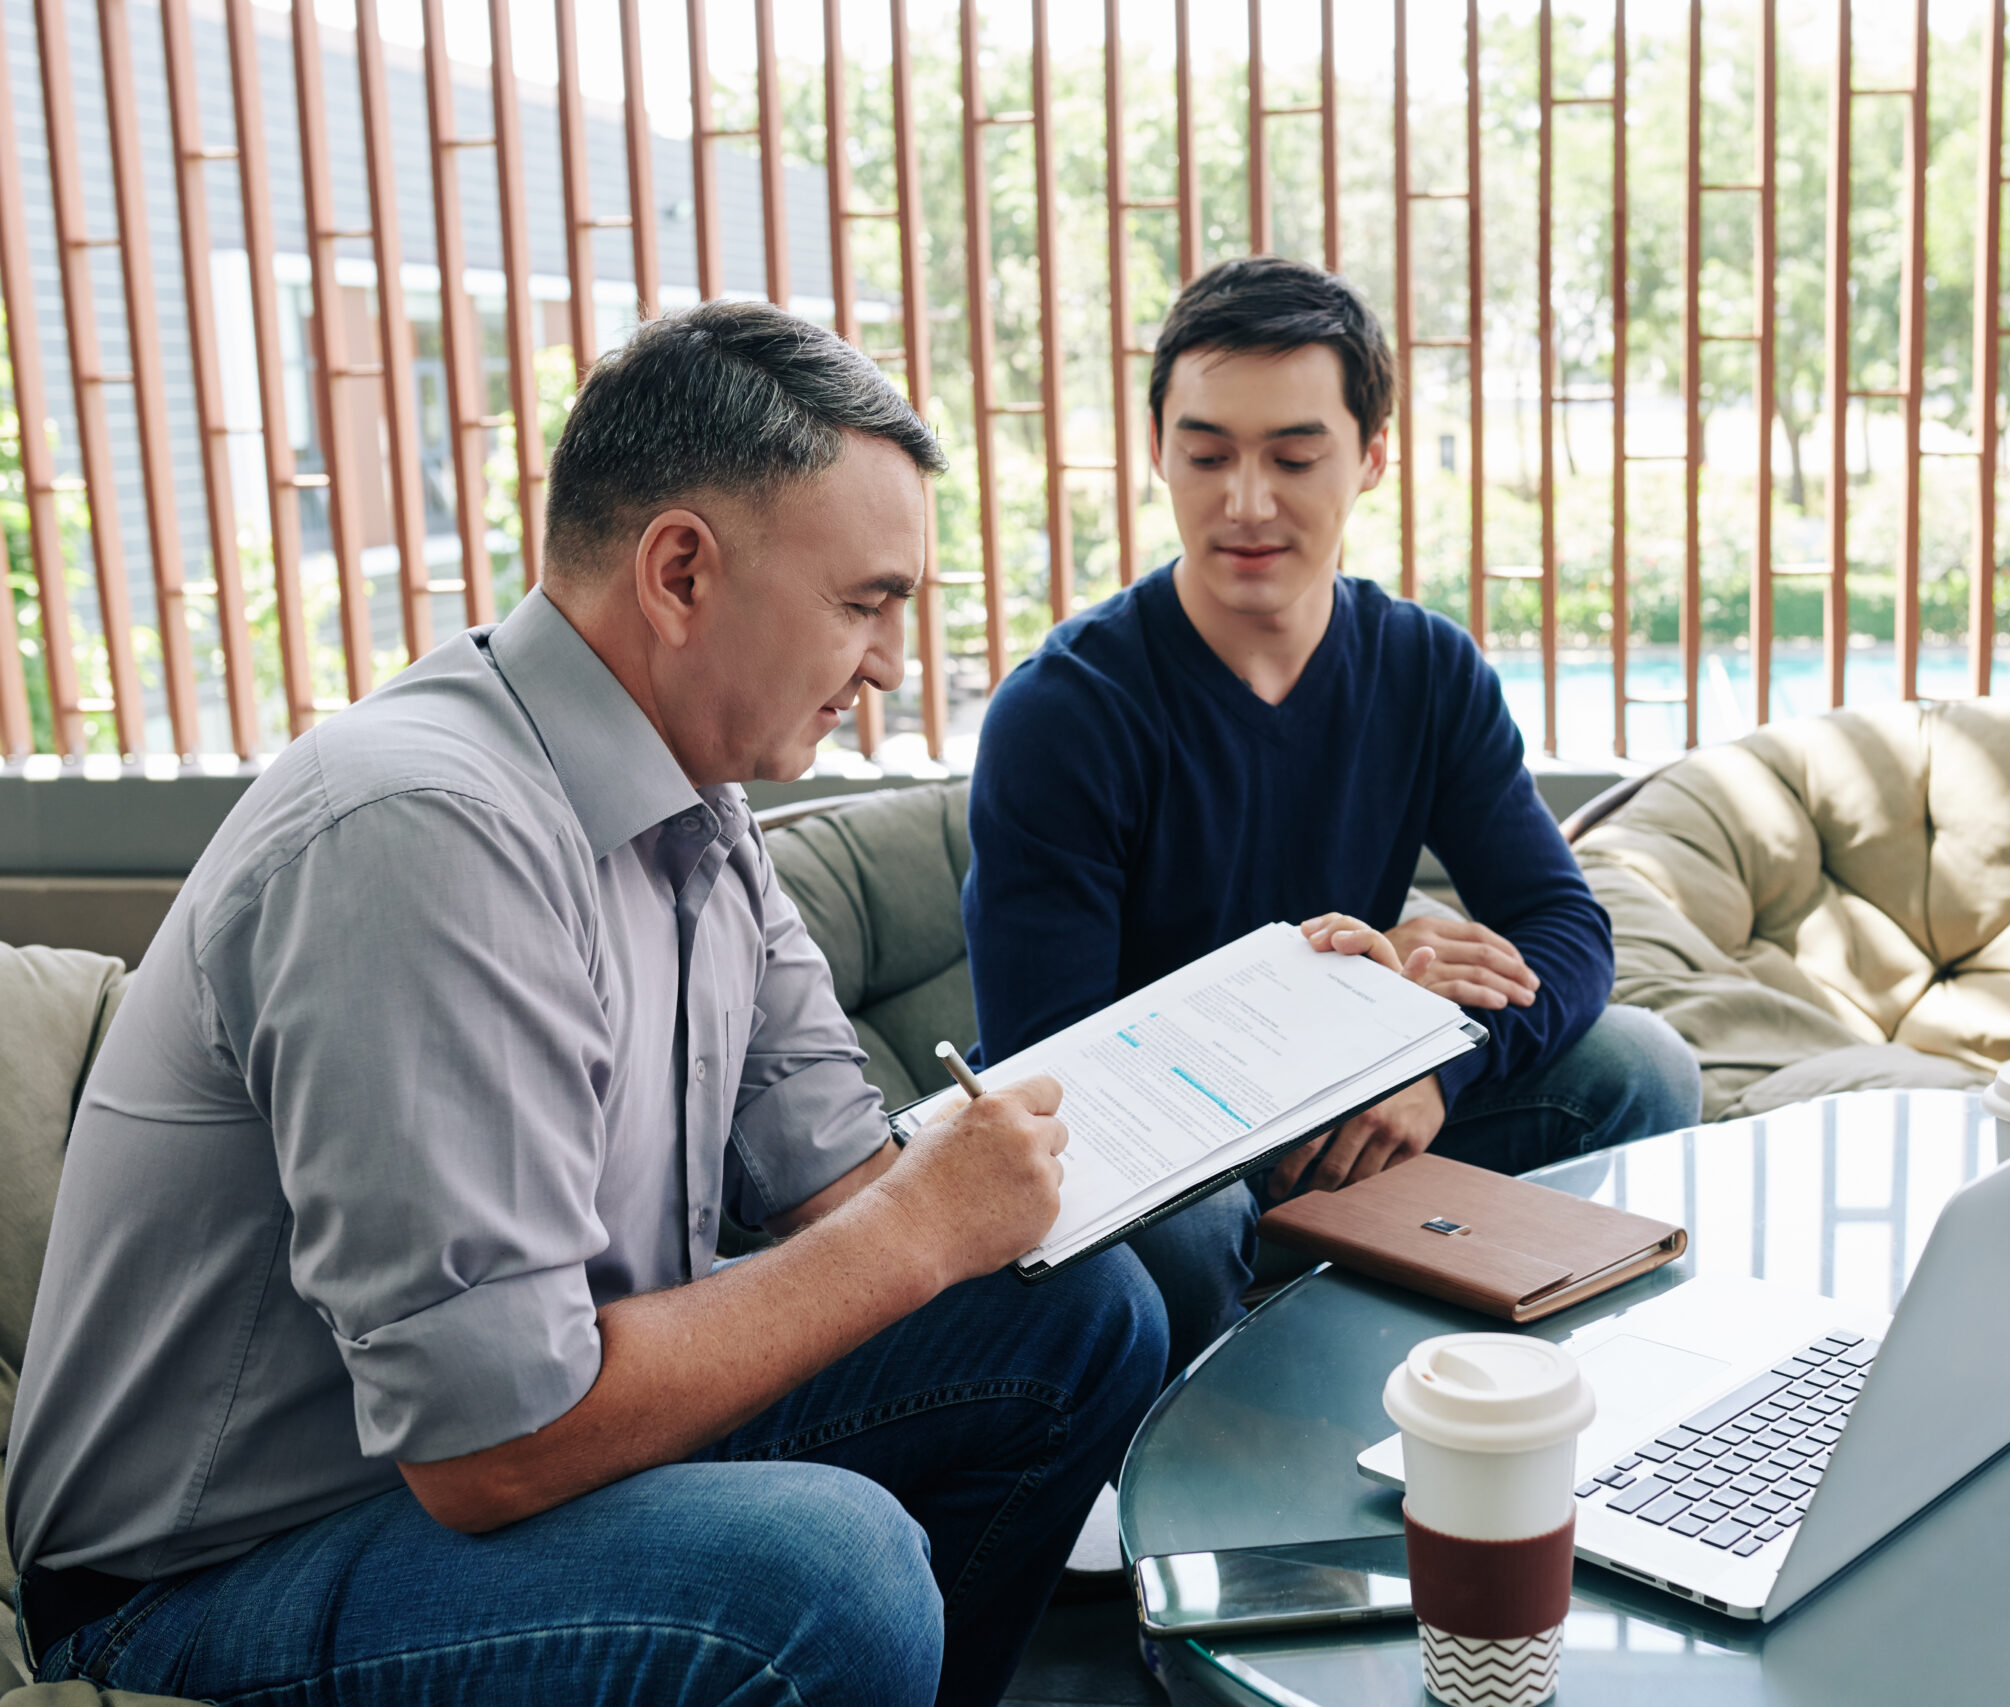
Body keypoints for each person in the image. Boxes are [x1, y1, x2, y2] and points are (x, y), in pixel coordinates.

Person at [6, 302, 1166, 1707]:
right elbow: (495, 1443)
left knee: (1084, 1309)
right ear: (681, 570)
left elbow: (835, 1174)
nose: (887, 666)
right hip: (218, 1574)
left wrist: (1033, 1185)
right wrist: (926, 1221)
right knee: (826, 1569)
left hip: (487, 1457)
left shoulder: (702, 805)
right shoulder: (421, 827)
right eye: (862, 604)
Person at [964, 255, 1702, 1383]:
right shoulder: (1065, 711)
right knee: (1187, 1224)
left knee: (1639, 1065)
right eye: (1205, 455)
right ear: (1157, 450)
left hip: (1339, 1117)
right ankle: (1214, 1486)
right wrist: (1354, 1007)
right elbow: (1050, 1055)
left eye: (1294, 457)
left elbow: (1565, 931)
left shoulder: (1423, 668)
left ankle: (1529, 1406)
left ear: (1370, 458)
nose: (1245, 501)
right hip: (1144, 1163)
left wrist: (1431, 1068)